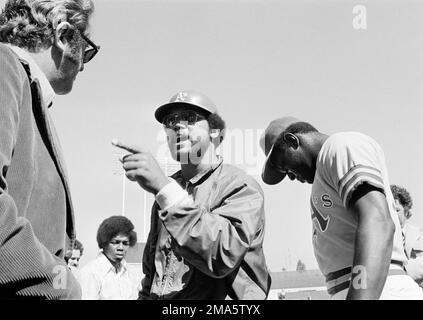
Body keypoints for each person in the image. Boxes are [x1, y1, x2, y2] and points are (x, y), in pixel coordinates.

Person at [112, 90, 271, 299]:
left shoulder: (240, 186)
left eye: (189, 118)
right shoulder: (167, 193)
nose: (177, 125)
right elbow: (152, 277)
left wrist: (164, 189)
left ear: (214, 130)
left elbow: (223, 255)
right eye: (170, 121)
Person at [260, 117, 423, 299]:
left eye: (284, 165)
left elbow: (377, 221)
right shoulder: (325, 171)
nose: (289, 176)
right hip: (362, 287)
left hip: (377, 288)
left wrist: (360, 294)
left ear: (292, 141)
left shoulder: (340, 145)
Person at [0, 0, 98, 299]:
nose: (83, 64)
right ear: (64, 36)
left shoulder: (25, 88)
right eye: (87, 50)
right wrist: (65, 287)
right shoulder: (5, 68)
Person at [79, 216, 139, 300]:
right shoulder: (91, 272)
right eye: (116, 242)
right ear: (104, 242)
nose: (121, 248)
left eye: (125, 243)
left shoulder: (132, 273)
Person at [391, 184, 423, 287]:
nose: (392, 214)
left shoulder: (420, 234)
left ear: (406, 212)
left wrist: (400, 272)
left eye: (396, 210)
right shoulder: (378, 239)